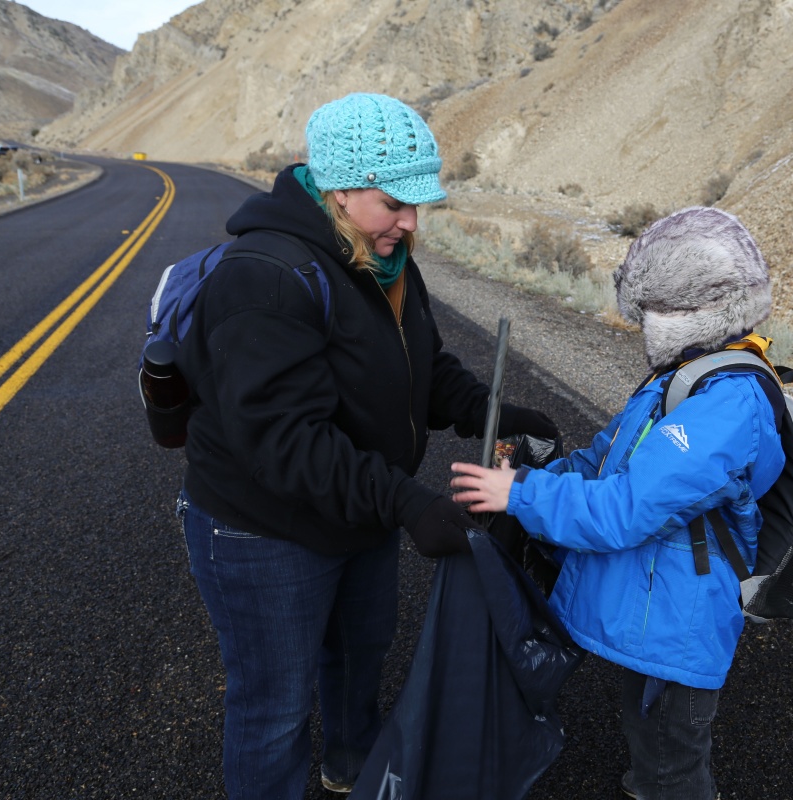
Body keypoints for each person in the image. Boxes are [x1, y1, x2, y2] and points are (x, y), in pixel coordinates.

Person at [173, 92, 557, 799]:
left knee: (358, 658)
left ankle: (352, 764)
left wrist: (489, 409)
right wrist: (408, 502)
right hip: (264, 529)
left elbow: (421, 364)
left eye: (419, 204)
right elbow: (287, 443)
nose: (411, 223)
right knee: (273, 709)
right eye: (394, 203)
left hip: (358, 513)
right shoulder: (265, 277)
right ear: (340, 192)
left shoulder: (384, 260)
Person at [451, 206, 784, 800]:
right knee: (649, 736)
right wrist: (531, 473)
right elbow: (605, 464)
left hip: (685, 622)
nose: (644, 326)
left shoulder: (727, 402)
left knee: (674, 764)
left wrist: (520, 493)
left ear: (687, 311)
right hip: (659, 607)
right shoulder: (679, 381)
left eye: (653, 312)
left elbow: (626, 508)